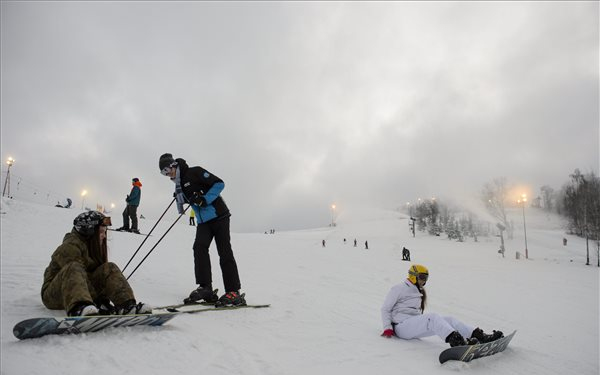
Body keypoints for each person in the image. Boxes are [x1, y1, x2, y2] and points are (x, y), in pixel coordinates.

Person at [158, 153, 244, 307]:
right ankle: (206, 287)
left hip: (219, 216)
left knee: (224, 251)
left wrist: (205, 199)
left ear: (173, 165)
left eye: (167, 169)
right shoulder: (179, 185)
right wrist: (183, 198)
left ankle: (233, 291)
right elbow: (192, 196)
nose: (167, 174)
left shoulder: (194, 172)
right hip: (204, 221)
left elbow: (219, 184)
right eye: (163, 173)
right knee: (199, 247)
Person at [41, 211, 151, 316]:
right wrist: (98, 301)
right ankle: (80, 307)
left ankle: (126, 306)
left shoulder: (93, 247)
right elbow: (76, 275)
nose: (104, 236)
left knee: (109, 268)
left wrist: (103, 301)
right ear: (89, 232)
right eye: (101, 232)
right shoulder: (70, 246)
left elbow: (93, 278)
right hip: (55, 294)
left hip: (83, 292)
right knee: (74, 267)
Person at [380, 264, 503, 347]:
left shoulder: (417, 291)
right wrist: (387, 328)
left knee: (449, 319)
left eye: (426, 278)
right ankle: (458, 342)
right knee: (432, 317)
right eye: (422, 277)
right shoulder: (399, 288)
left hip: (412, 324)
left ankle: (479, 336)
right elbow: (385, 309)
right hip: (401, 327)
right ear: (413, 276)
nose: (424, 280)